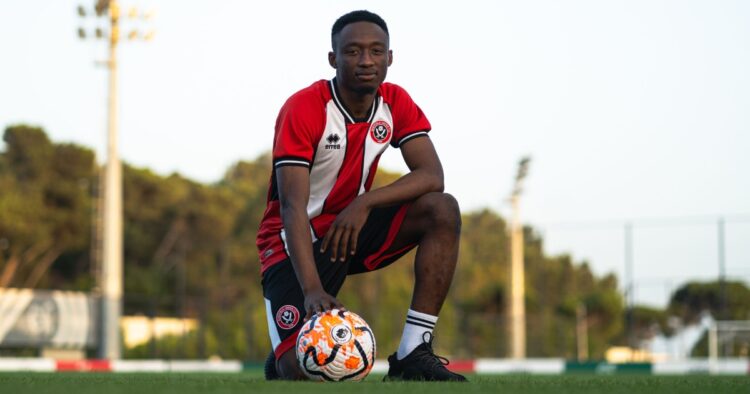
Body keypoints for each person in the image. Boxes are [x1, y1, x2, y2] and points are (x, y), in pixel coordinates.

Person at [256, 10, 466, 382]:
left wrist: (364, 202)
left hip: (351, 228)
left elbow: (432, 175)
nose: (366, 61)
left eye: (375, 51)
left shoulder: (395, 101)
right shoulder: (303, 108)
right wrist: (312, 290)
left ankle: (413, 353)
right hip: (294, 241)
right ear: (333, 59)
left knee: (442, 209)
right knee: (299, 371)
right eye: (353, 51)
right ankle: (282, 354)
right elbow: (291, 208)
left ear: (390, 57)